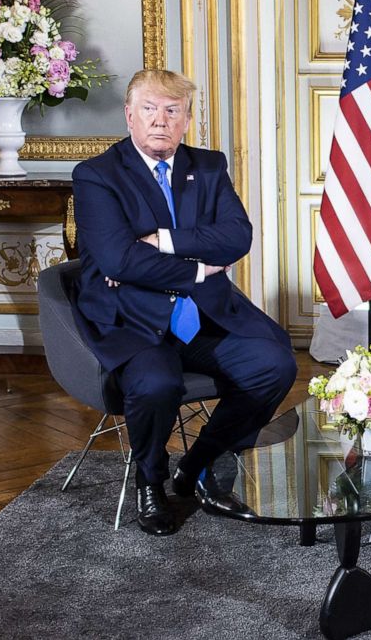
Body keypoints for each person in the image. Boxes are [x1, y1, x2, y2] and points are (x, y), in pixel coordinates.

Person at [72, 69, 296, 536]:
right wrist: (196, 266)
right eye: (150, 109)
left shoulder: (208, 166)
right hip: (133, 318)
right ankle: (149, 481)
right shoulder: (96, 175)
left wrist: (165, 240)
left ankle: (197, 466)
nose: (160, 121)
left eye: (172, 111)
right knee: (155, 384)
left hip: (201, 312)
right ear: (129, 115)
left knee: (274, 364)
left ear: (187, 119)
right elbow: (118, 258)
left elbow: (238, 237)